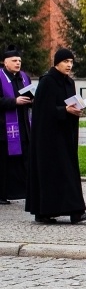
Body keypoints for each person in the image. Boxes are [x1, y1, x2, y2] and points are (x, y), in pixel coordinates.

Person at [25, 48, 86, 224]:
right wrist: (64, 110)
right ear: (57, 63)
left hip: (65, 135)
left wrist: (77, 109)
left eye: (71, 62)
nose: (69, 65)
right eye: (66, 62)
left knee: (68, 172)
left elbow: (71, 104)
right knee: (51, 174)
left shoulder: (69, 82)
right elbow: (42, 110)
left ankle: (75, 211)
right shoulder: (47, 82)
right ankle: (46, 212)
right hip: (48, 139)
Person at [0, 45, 33, 204]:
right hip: (4, 128)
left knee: (25, 159)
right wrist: (14, 101)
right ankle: (2, 194)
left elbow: (30, 96)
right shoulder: (0, 77)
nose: (17, 63)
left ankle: (23, 191)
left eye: (19, 60)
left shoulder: (24, 77)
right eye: (14, 60)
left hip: (24, 126)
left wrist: (32, 100)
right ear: (5, 63)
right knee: (4, 163)